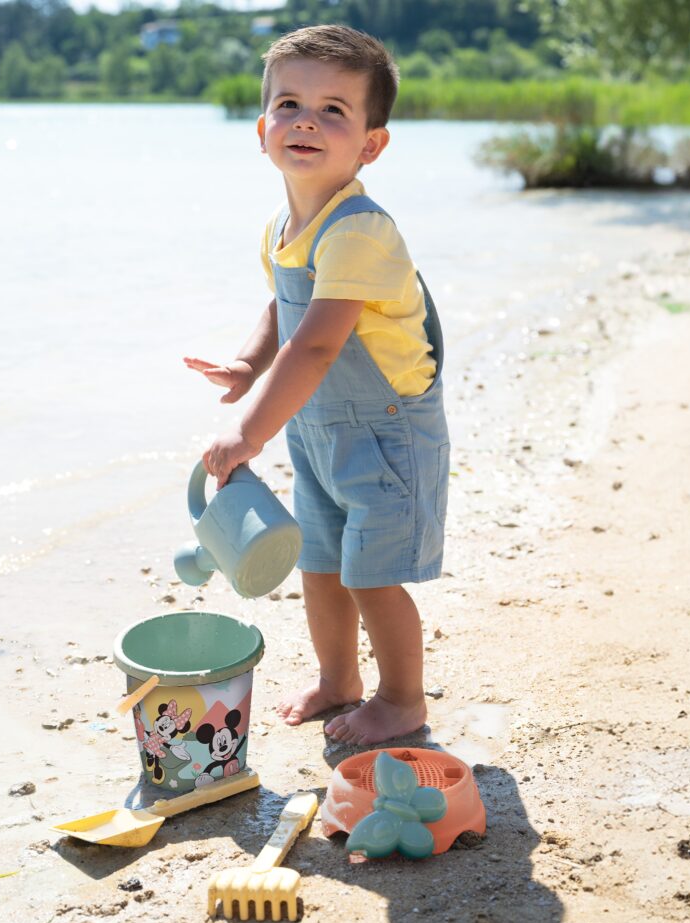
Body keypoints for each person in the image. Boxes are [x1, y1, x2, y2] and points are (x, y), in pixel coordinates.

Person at [184, 24, 449, 746]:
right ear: (262, 128)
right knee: (322, 562)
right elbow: (284, 307)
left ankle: (402, 700)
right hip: (320, 426)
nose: (307, 119)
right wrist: (246, 365)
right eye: (290, 103)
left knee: (371, 574)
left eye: (334, 109)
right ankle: (339, 681)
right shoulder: (282, 226)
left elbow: (321, 340)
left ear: (370, 144)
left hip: (387, 429)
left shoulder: (359, 228)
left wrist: (249, 430)